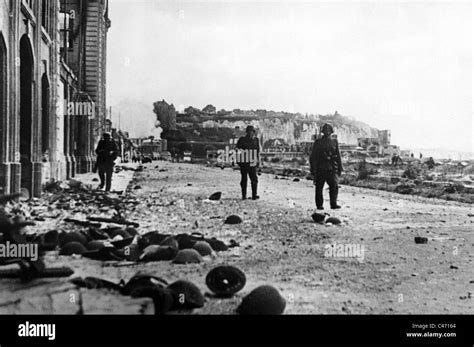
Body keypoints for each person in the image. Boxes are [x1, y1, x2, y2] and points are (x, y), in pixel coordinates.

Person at [310, 123, 342, 210]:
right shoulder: (318, 142)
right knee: (319, 187)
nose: (327, 131)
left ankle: (333, 203)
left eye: (329, 130)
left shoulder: (335, 142)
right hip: (321, 168)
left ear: (331, 131)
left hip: (332, 167)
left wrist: (340, 168)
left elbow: (338, 155)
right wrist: (313, 170)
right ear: (323, 131)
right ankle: (319, 205)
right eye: (326, 130)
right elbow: (313, 157)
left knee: (334, 186)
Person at [236, 125, 260, 200]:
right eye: (249, 132)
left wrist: (258, 161)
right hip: (244, 162)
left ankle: (254, 195)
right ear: (247, 132)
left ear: (253, 132)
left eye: (252, 132)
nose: (250, 133)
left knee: (254, 179)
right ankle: (244, 195)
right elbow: (237, 149)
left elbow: (257, 151)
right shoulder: (242, 140)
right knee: (244, 179)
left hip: (252, 162)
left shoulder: (256, 140)